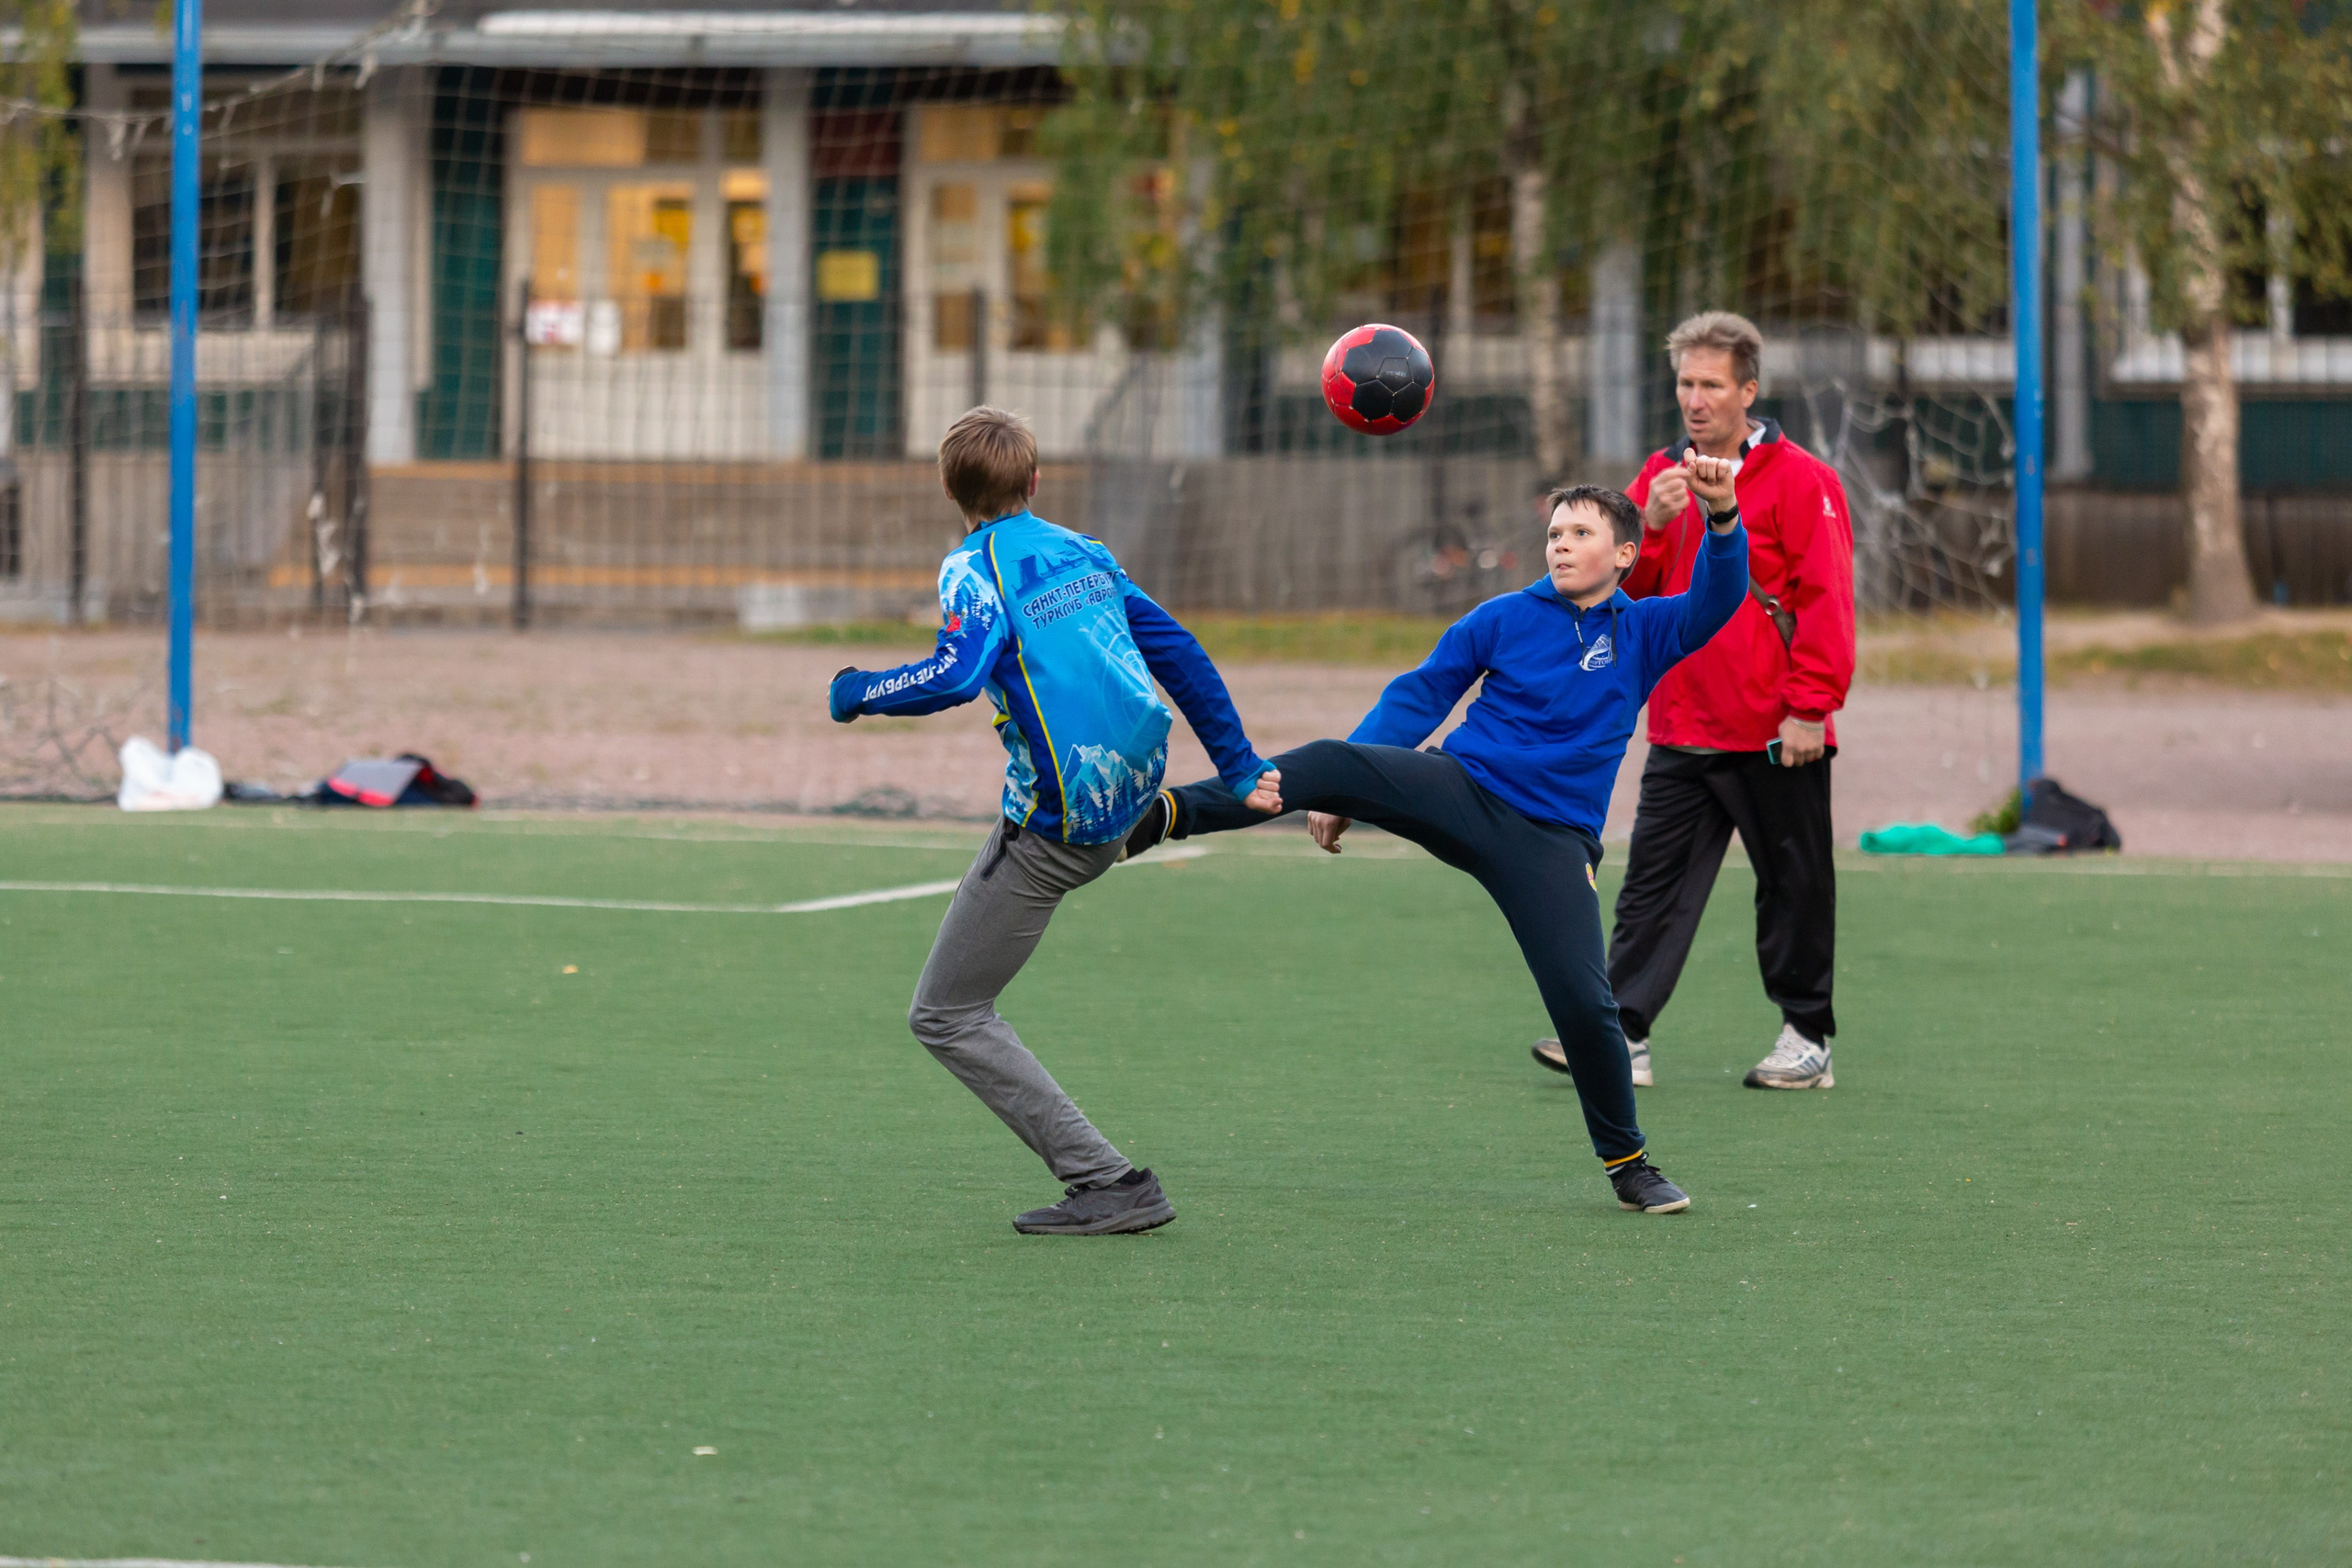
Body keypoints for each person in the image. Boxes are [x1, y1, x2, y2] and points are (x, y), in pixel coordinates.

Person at [1132, 468, 1748, 1214]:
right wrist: (1340, 791)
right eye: (1554, 532)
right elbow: (1422, 693)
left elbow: (1720, 598)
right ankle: (1163, 816)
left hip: (1551, 842)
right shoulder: (1503, 616)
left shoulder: (1644, 630)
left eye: (1581, 533)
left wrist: (1721, 515)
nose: (1560, 545)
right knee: (1330, 758)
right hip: (1463, 791)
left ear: (1624, 554)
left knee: (1587, 1007)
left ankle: (1630, 1164)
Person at [829, 407, 1278, 1235]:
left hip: (1058, 827)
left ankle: (1109, 1180)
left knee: (946, 1014)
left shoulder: (971, 567)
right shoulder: (1084, 551)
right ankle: (1262, 793)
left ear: (948, 489)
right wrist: (1242, 762)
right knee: (1145, 820)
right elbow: (1178, 650)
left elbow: (956, 673)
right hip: (1132, 789)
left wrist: (859, 690)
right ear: (1036, 483)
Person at [1532, 310, 1854, 1092]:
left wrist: (1809, 705)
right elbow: (1620, 598)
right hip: (1682, 723)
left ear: (1749, 388)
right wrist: (1654, 522)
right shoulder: (1655, 480)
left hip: (1777, 729)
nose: (1696, 398)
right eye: (1685, 382)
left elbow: (1827, 599)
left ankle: (1806, 1036)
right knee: (1651, 886)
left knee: (1794, 884)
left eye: (1713, 383)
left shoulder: (1804, 481)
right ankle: (1623, 1036)